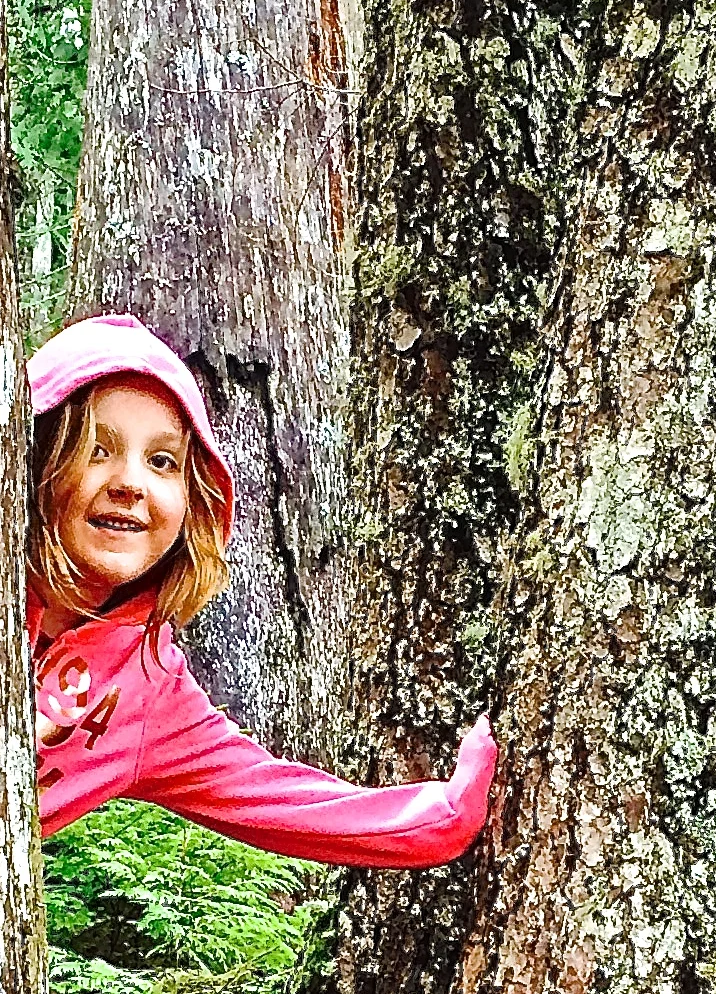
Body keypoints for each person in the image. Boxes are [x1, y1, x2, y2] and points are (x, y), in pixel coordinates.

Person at [28, 312, 495, 865]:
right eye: (95, 448)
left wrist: (448, 813)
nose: (130, 483)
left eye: (161, 461)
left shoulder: (147, 687)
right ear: (31, 460)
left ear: (193, 500)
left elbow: (286, 803)